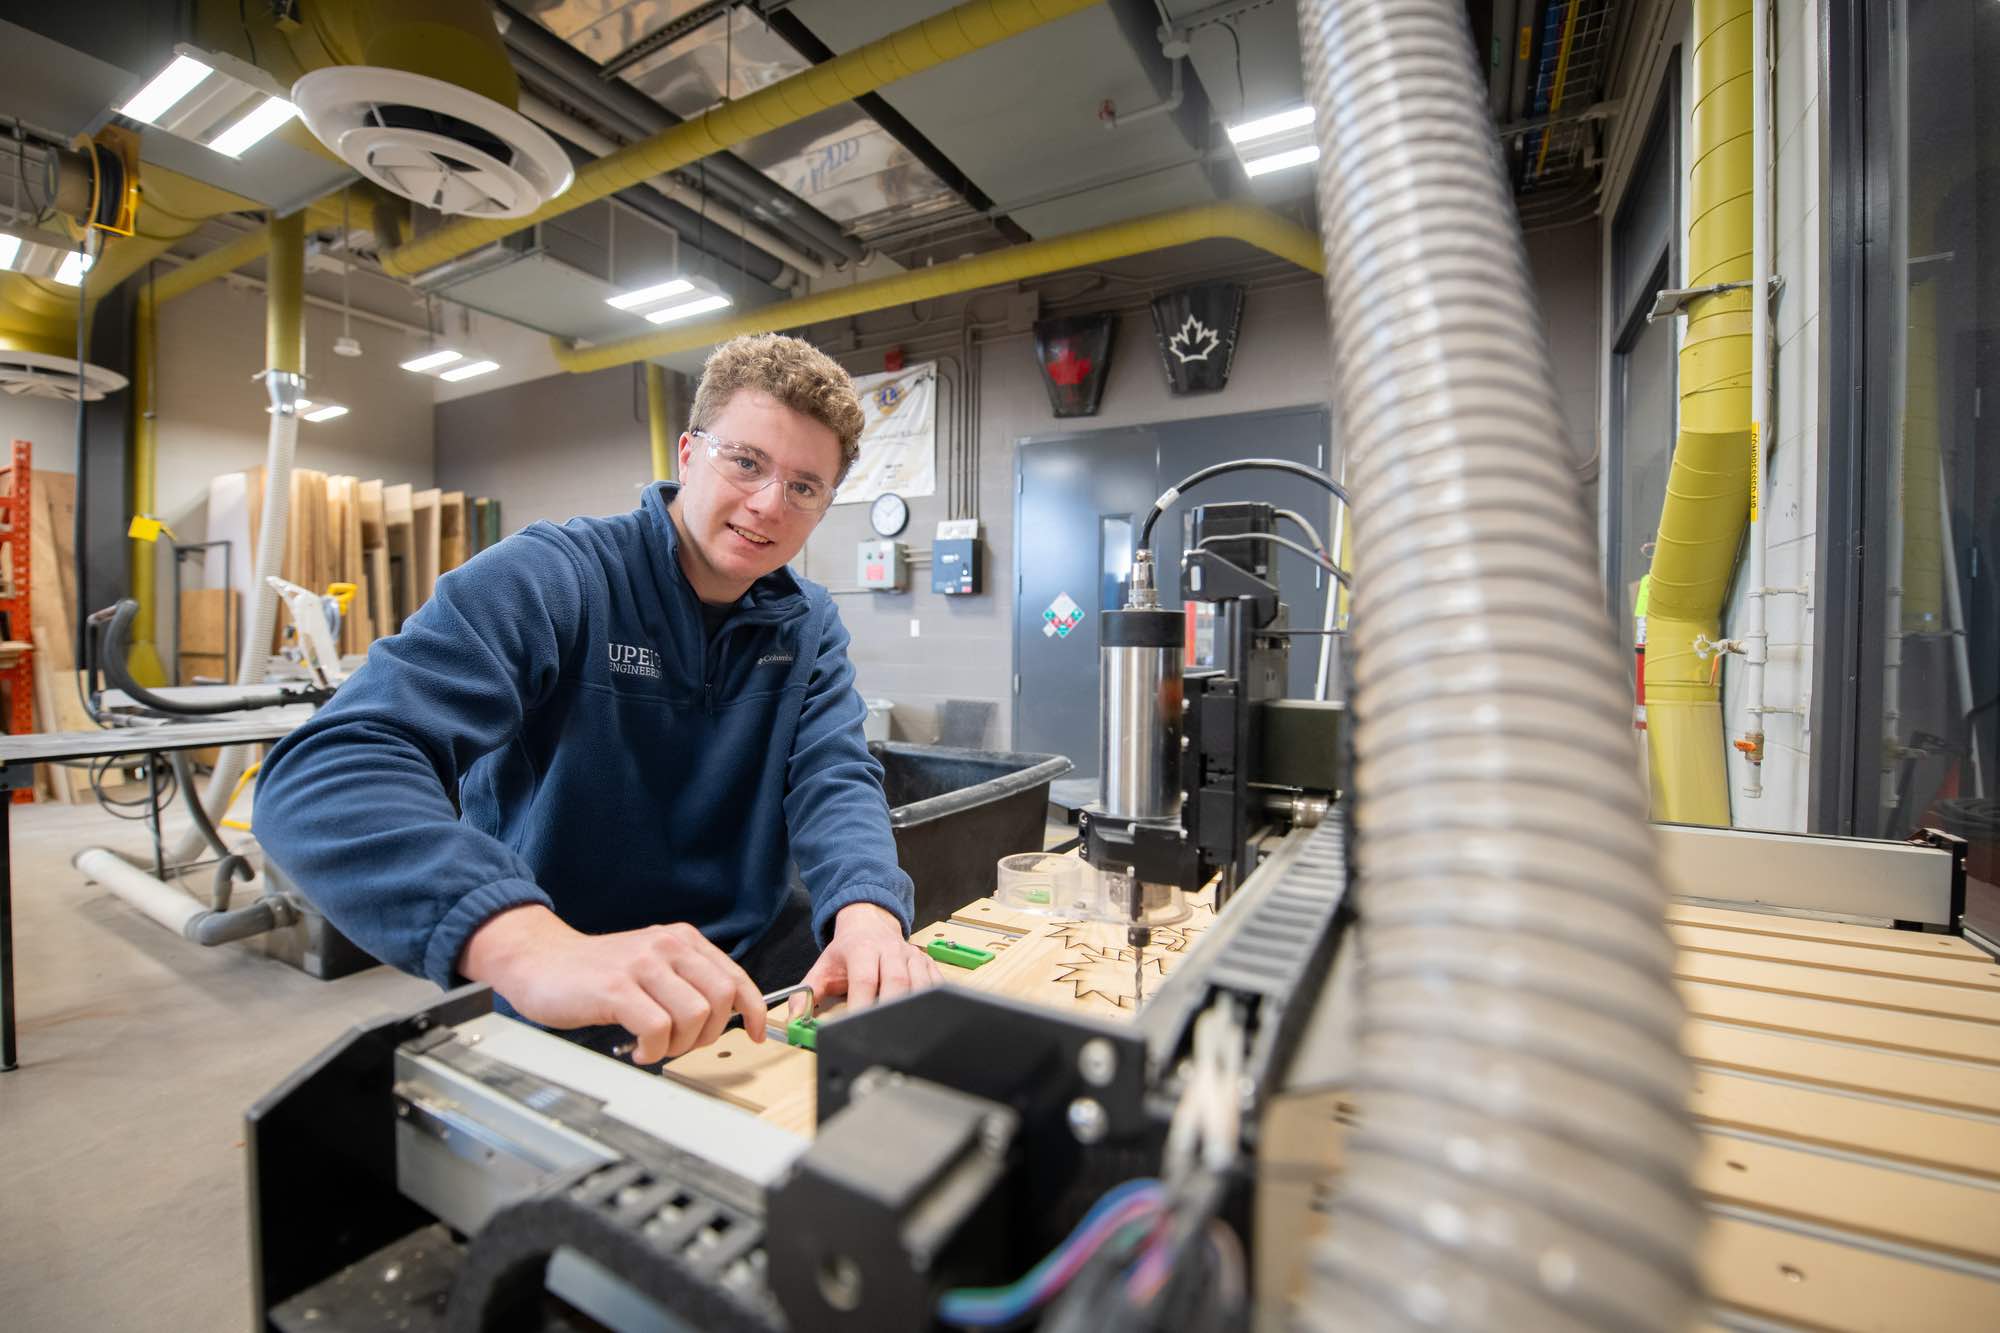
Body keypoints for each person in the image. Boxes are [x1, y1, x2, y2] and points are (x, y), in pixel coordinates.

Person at [255, 333, 942, 1065]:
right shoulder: (555, 579)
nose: (769, 505)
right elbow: (324, 769)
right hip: (574, 980)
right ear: (688, 454)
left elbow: (833, 775)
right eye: (746, 462)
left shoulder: (806, 621)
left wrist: (867, 912)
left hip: (750, 973)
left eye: (805, 487)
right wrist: (528, 945)